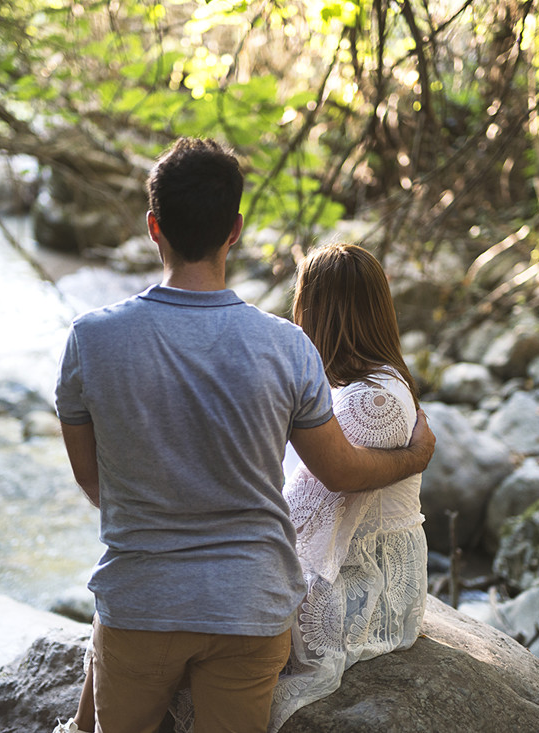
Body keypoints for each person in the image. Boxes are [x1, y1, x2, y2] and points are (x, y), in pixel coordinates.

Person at [52, 137, 435, 733]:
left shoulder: (91, 340)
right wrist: (412, 457)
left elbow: (95, 483)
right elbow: (339, 471)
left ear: (154, 227)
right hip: (251, 611)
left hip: (141, 604)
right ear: (235, 230)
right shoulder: (288, 346)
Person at [170, 242, 428, 733]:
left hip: (359, 582)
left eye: (301, 299)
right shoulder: (348, 384)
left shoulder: (374, 403)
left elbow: (305, 520)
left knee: (202, 605)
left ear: (314, 308)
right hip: (340, 562)